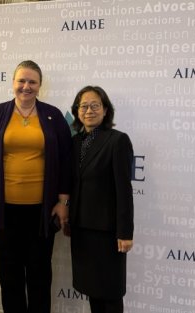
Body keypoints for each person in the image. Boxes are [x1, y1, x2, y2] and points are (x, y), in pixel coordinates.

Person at [0, 60, 72, 313]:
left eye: (32, 82)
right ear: (13, 83)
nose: (26, 86)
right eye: (21, 81)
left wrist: (62, 202)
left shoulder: (53, 115)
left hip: (42, 211)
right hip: (4, 211)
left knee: (40, 272)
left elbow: (66, 160)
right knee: (10, 271)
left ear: (40, 86)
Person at [68, 85, 134, 313]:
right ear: (77, 112)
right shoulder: (74, 143)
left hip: (107, 233)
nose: (89, 110)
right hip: (81, 230)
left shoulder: (118, 141)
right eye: (83, 106)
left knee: (111, 293)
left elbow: (124, 190)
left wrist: (125, 232)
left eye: (95, 105)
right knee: (92, 290)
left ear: (105, 110)